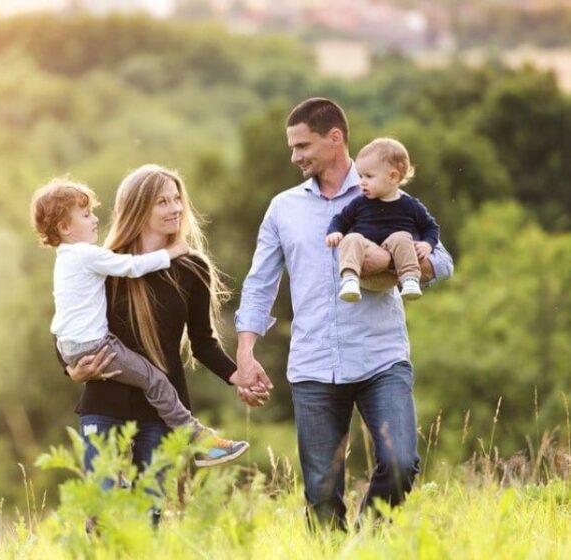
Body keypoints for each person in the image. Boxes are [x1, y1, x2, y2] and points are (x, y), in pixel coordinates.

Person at [233, 98, 454, 529]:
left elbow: (443, 260)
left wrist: (409, 263)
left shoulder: (390, 193)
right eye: (292, 147)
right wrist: (245, 352)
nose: (294, 156)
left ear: (335, 139)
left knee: (399, 462)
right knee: (320, 491)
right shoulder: (284, 208)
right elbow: (260, 282)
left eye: (302, 146)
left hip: (381, 357)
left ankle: (365, 545)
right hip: (314, 364)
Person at [30, 177, 248, 467]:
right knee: (103, 504)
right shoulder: (106, 263)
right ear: (138, 208)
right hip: (105, 405)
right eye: (163, 201)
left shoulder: (191, 268)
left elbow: (203, 342)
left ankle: (200, 440)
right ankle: (199, 439)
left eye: (176, 198)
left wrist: (239, 376)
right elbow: (69, 320)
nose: (175, 208)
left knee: (150, 509)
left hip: (158, 414)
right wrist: (72, 370)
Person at [325, 137, 440, 302]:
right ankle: (349, 279)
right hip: (365, 269)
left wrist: (427, 244)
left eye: (369, 176)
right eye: (360, 176)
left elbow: (431, 227)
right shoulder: (360, 203)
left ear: (393, 177)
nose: (362, 182)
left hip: (393, 274)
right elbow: (340, 219)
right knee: (352, 238)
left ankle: (410, 280)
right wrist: (334, 232)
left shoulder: (410, 205)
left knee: (401, 237)